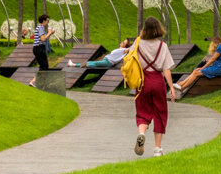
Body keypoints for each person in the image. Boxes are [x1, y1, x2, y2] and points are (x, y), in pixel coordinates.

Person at [133, 17, 176, 157]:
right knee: (160, 113)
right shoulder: (162, 46)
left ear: (144, 29)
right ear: (158, 29)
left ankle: (141, 134)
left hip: (142, 81)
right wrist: (172, 87)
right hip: (158, 81)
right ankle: (157, 149)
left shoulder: (138, 43)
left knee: (142, 112)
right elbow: (166, 69)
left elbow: (130, 57)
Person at [27, 14, 56, 87]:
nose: (48, 22)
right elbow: (43, 39)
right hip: (39, 48)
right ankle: (37, 82)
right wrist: (49, 32)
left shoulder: (40, 28)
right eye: (47, 21)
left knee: (43, 66)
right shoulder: (40, 27)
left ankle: (35, 82)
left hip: (39, 48)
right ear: (43, 21)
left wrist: (50, 34)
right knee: (45, 66)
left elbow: (43, 38)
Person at [68, 39, 133, 68]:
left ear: (125, 46)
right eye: (123, 41)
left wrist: (137, 42)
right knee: (89, 62)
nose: (122, 42)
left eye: (123, 43)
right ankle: (75, 64)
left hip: (108, 62)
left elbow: (131, 48)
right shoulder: (119, 49)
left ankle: (73, 65)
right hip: (106, 60)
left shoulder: (124, 50)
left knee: (92, 63)